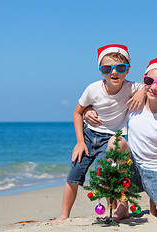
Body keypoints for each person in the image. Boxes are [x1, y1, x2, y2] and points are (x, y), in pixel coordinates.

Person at [85, 57, 157, 223]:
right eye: (149, 81)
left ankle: (155, 197)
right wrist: (88, 110)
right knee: (116, 141)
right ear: (144, 80)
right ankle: (122, 205)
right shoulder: (134, 102)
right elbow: (107, 102)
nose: (154, 88)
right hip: (130, 168)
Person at [56, 44, 146, 222]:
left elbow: (148, 87)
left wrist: (142, 93)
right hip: (89, 136)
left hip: (111, 139)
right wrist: (80, 142)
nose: (114, 72)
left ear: (127, 69)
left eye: (120, 67)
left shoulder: (131, 87)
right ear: (101, 71)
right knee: (73, 175)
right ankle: (64, 215)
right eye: (107, 68)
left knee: (106, 174)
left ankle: (113, 209)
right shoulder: (93, 89)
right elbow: (77, 112)